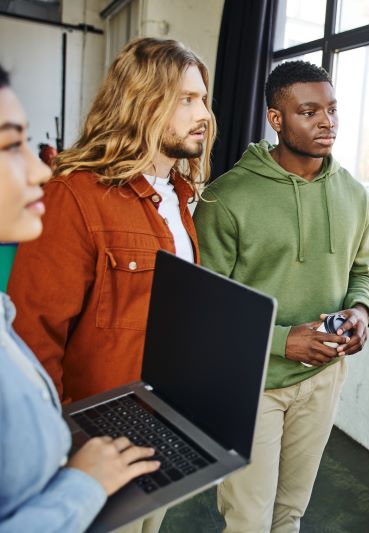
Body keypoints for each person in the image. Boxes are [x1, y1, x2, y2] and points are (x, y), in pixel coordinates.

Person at [193, 60, 369, 532]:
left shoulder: (354, 194)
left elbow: (362, 271)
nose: (327, 122)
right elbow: (205, 308)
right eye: (309, 111)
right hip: (252, 383)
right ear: (277, 119)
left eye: (332, 110)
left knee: (289, 514)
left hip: (323, 379)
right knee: (249, 521)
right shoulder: (227, 198)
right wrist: (280, 341)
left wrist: (360, 311)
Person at [8, 37, 215, 405]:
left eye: (202, 99)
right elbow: (33, 337)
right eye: (185, 99)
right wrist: (62, 442)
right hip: (98, 427)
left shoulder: (179, 196)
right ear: (142, 103)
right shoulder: (74, 195)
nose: (203, 115)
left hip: (164, 411)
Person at [0, 63, 160, 533]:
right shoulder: (74, 196)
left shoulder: (178, 199)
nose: (38, 168)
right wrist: (81, 483)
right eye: (10, 145)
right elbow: (42, 326)